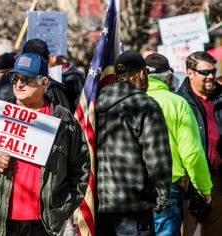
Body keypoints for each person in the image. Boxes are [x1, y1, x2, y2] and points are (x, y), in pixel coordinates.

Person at [0, 53, 90, 236]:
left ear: (44, 83)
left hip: (44, 222)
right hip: (0, 220)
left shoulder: (63, 120)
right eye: (15, 78)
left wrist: (65, 206)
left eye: (26, 79)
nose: (18, 84)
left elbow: (81, 166)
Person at [95, 50, 172, 235]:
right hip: (134, 205)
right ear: (142, 74)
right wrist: (162, 195)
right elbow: (156, 156)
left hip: (100, 204)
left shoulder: (94, 104)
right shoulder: (145, 105)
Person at [145, 53, 213, 235]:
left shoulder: (130, 102)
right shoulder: (177, 103)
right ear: (167, 77)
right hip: (169, 187)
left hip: (133, 187)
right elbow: (191, 153)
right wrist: (204, 188)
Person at [177, 51, 222, 236]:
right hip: (189, 182)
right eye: (205, 72)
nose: (210, 76)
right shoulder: (179, 101)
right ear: (190, 73)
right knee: (185, 232)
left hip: (218, 179)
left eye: (213, 71)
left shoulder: (220, 97)